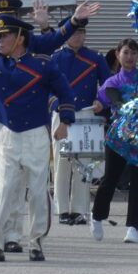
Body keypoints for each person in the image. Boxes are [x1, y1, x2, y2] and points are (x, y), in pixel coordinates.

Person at [0, 15, 76, 261]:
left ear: (20, 39)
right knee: (5, 189)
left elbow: (65, 92)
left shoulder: (42, 65)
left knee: (38, 192)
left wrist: (65, 122)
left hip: (36, 135)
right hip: (9, 135)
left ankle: (36, 242)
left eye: (5, 36)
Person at [90, 36, 138, 243]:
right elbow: (108, 102)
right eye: (126, 53)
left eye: (134, 53)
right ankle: (97, 216)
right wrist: (99, 105)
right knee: (110, 179)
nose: (130, 57)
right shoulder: (112, 82)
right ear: (118, 55)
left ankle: (133, 227)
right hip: (119, 139)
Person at [50, 20, 109, 225]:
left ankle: (80, 209)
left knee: (84, 164)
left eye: (81, 32)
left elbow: (107, 83)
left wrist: (102, 101)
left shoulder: (95, 57)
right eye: (74, 32)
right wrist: (56, 104)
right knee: (62, 162)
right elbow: (46, 86)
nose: (78, 36)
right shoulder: (55, 57)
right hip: (62, 113)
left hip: (86, 113)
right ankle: (62, 209)